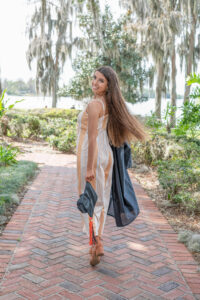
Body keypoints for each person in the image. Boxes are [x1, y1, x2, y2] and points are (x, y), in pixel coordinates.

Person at [76, 66, 148, 266]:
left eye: (101, 81)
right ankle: (95, 244)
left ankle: (97, 242)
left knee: (88, 199)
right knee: (101, 200)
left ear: (108, 86)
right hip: (107, 155)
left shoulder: (93, 105)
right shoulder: (110, 103)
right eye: (94, 78)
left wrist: (89, 167)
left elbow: (91, 138)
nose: (95, 83)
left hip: (91, 155)